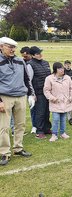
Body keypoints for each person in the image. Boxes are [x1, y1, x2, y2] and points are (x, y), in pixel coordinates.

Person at [0, 37, 35, 166]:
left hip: (20, 96)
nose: (13, 50)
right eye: (10, 47)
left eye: (14, 47)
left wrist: (30, 94)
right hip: (5, 97)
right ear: (1, 46)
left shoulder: (20, 61)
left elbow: (27, 79)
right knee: (3, 127)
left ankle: (18, 149)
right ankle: (5, 152)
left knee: (20, 124)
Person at [44, 62, 72, 141]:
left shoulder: (67, 78)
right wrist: (52, 98)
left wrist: (71, 97)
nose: (62, 70)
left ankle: (63, 133)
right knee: (56, 118)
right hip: (56, 102)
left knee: (63, 118)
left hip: (65, 102)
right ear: (55, 70)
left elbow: (71, 88)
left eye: (62, 68)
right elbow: (46, 90)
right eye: (60, 68)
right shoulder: (49, 79)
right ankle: (54, 134)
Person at [27, 46, 52, 138]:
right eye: (38, 53)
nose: (40, 54)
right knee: (40, 112)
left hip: (47, 92)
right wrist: (32, 94)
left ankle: (46, 128)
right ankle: (39, 131)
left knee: (47, 111)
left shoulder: (46, 63)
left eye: (40, 52)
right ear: (33, 55)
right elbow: (29, 80)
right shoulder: (30, 64)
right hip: (38, 92)